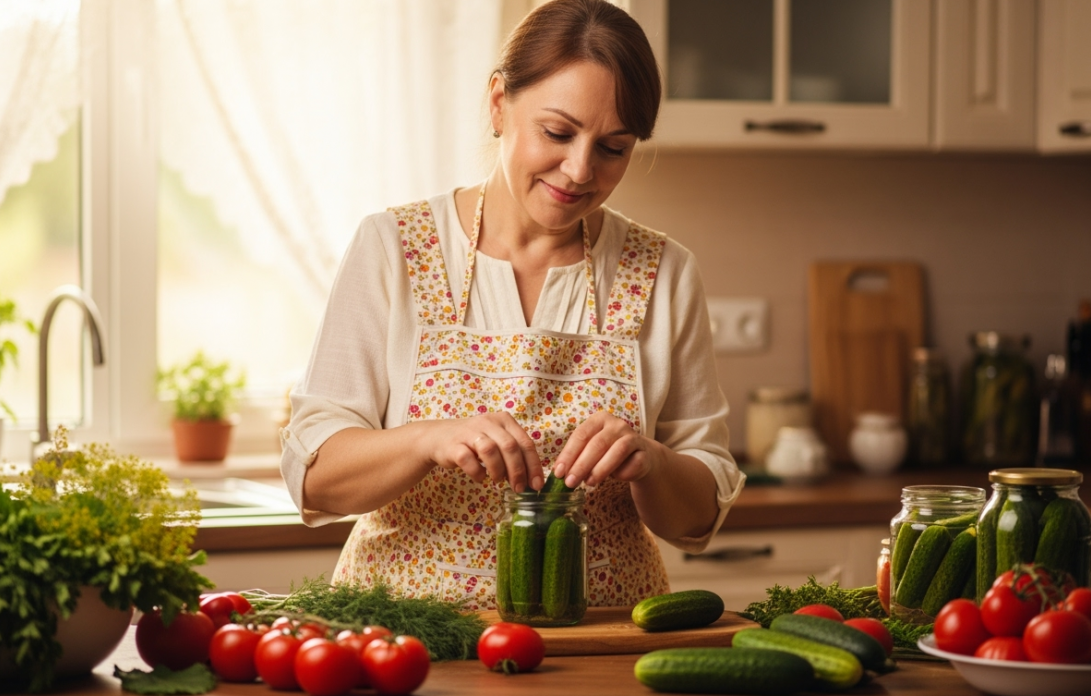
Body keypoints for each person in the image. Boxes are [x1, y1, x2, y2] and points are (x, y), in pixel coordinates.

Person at [280, 0, 743, 610]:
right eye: (557, 132)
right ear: (499, 103)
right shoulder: (394, 246)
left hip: (601, 643)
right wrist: (425, 440)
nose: (579, 170)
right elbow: (315, 477)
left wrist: (652, 462)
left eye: (613, 147)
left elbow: (696, 517)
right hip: (411, 639)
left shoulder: (663, 271)